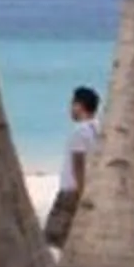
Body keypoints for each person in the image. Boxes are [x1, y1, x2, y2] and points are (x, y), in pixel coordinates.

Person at [46, 85, 99, 251]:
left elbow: (78, 165)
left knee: (53, 234)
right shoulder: (97, 128)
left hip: (71, 190)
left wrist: (81, 192)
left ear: (79, 106)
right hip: (88, 187)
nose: (70, 109)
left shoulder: (79, 131)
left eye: (72, 104)